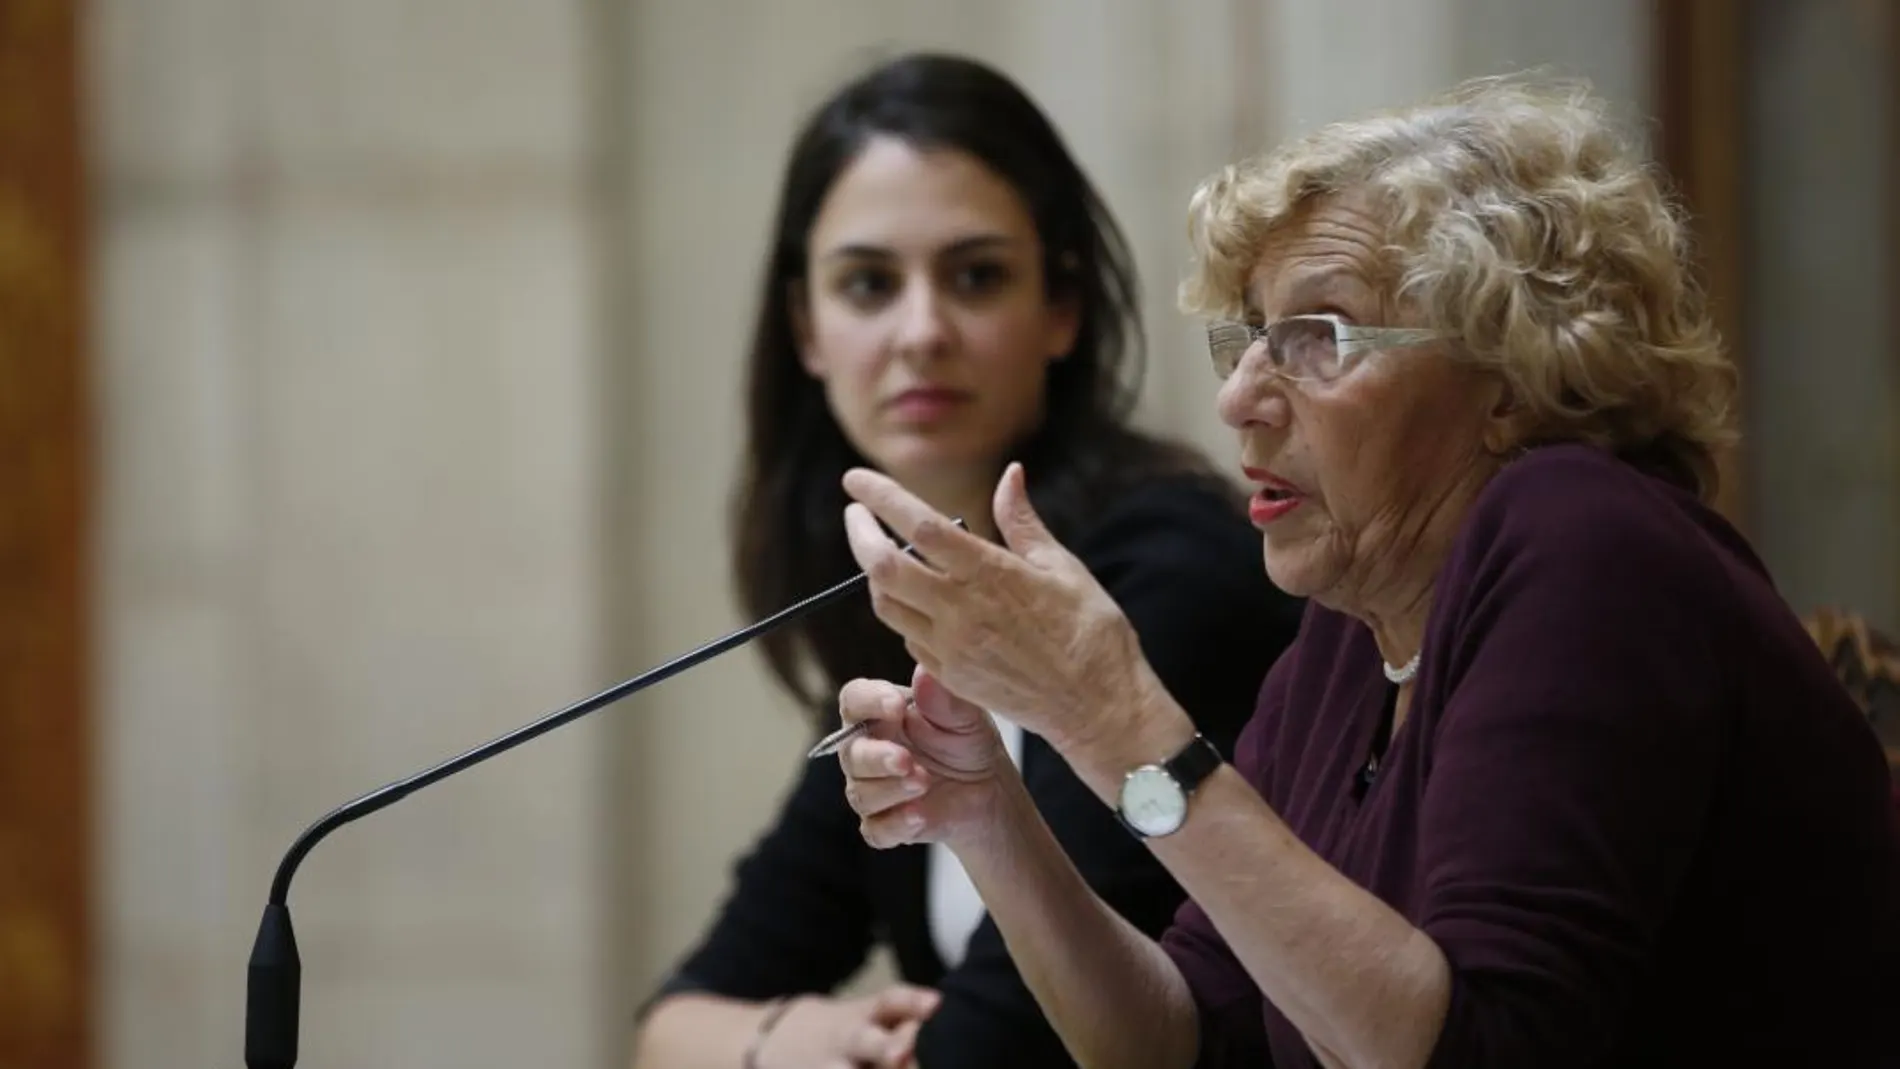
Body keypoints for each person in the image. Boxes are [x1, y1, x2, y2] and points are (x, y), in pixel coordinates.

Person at [831, 73, 1900, 1069]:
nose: (1239, 397)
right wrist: (989, 817)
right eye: (1249, 338)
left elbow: (1482, 1046)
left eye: (1316, 335)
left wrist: (1112, 708)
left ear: (1512, 379)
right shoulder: (1352, 635)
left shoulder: (1587, 542)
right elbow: (1181, 1038)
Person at [630, 52, 1305, 1069]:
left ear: (1062, 309)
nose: (922, 332)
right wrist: (797, 1039)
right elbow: (671, 1024)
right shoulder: (904, 596)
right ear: (806, 328)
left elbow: (1018, 1043)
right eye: (867, 284)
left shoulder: (1168, 576)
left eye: (975, 275)